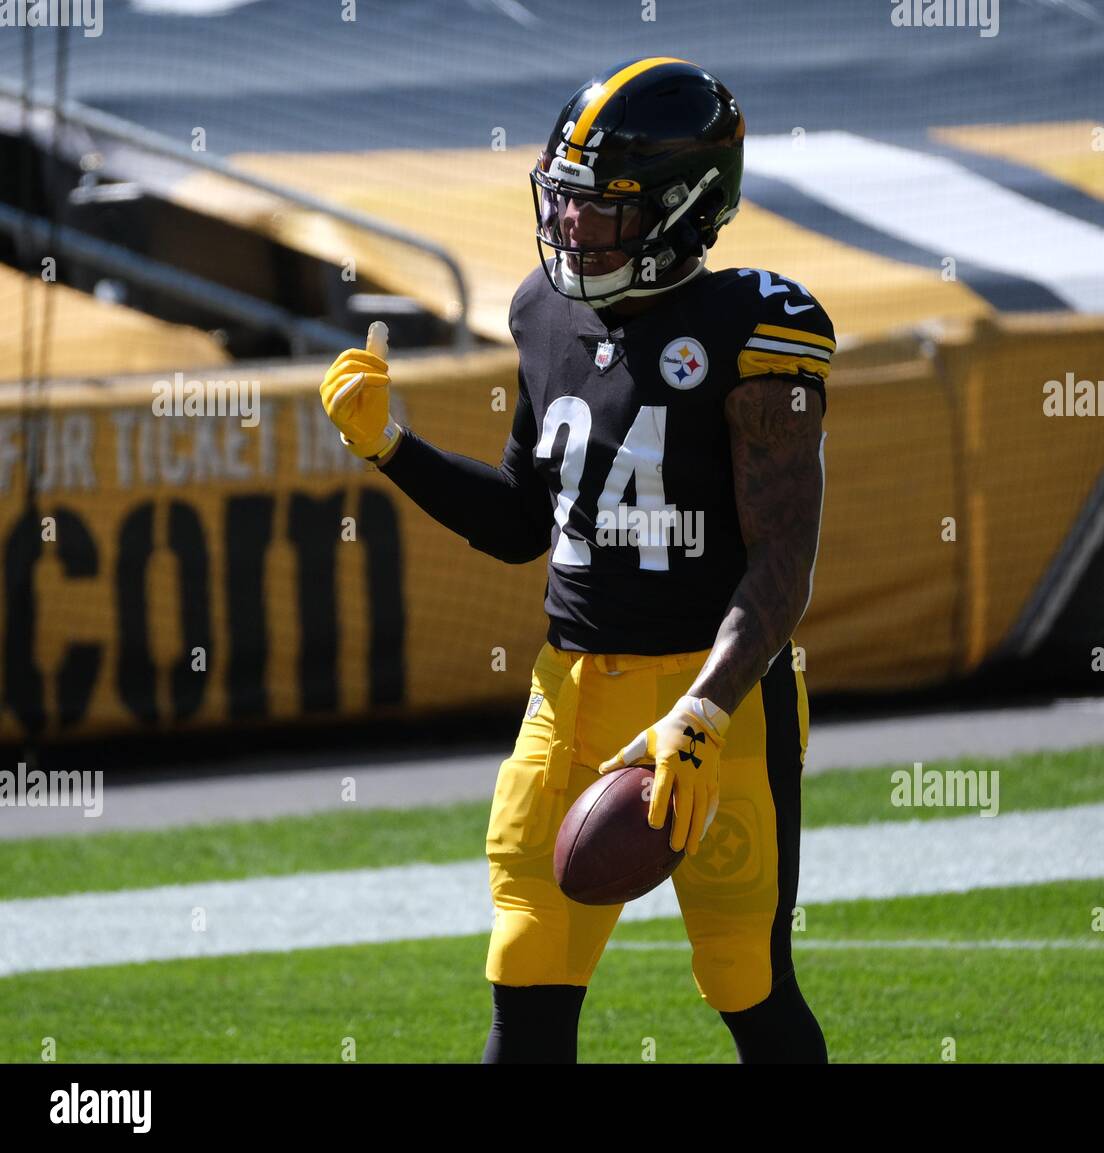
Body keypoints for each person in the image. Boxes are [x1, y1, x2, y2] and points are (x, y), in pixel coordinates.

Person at [319, 57, 834, 1064]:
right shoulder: (541, 311)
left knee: (743, 977)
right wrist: (391, 447)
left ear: (685, 211)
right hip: (568, 688)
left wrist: (704, 708)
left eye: (599, 212)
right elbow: (523, 522)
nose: (568, 233)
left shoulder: (756, 331)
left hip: (717, 699)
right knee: (526, 968)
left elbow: (782, 564)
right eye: (561, 205)